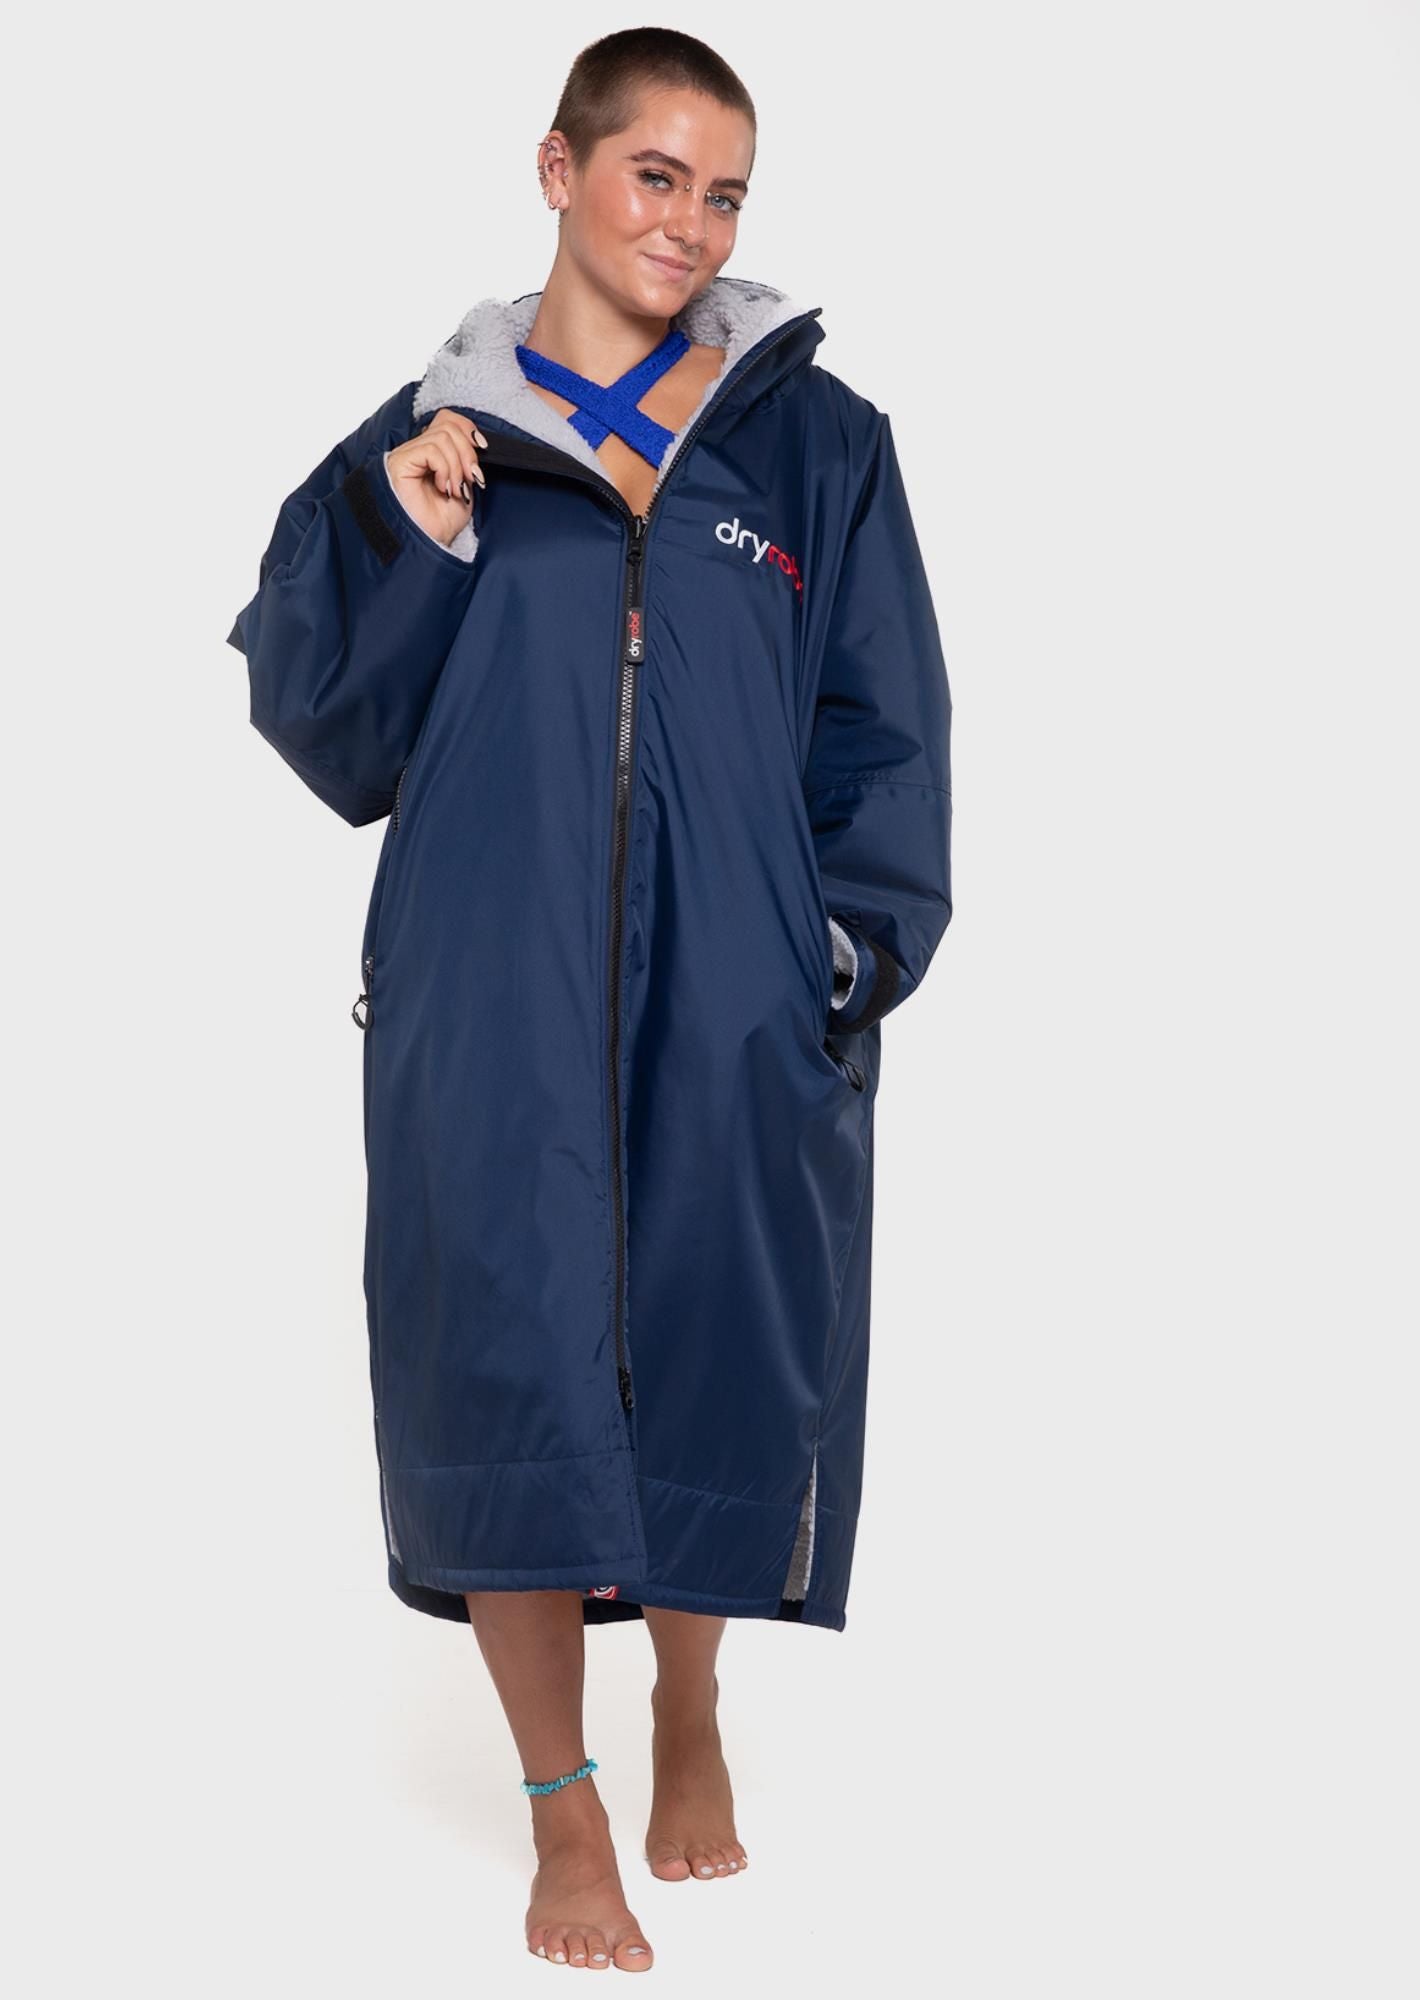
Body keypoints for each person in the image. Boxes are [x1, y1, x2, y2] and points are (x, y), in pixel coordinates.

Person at [225, 26, 953, 1973]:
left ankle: (688, 1701)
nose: (689, 223)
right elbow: (327, 725)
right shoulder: (433, 433)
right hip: (491, 991)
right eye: (655, 176)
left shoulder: (817, 446)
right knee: (512, 1357)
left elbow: (886, 733)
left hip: (736, 997)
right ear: (558, 169)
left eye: (723, 194)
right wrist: (407, 532)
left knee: (715, 1338)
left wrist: (837, 957)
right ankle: (563, 1808)